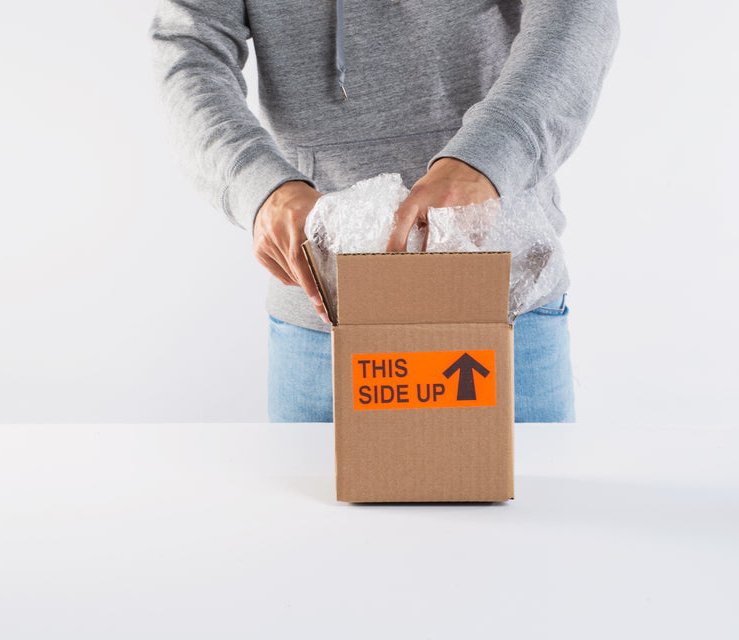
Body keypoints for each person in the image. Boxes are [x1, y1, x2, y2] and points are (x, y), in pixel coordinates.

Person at [149, 1, 619, 423]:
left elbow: (576, 12)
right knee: (315, 521)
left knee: (535, 516)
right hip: (324, 311)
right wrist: (257, 183)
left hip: (504, 294)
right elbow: (189, 43)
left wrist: (489, 157)